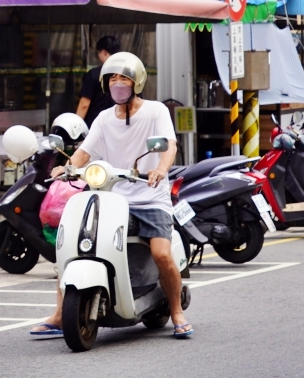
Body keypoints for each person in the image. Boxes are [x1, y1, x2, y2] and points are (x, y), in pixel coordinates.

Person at [30, 52, 192, 340]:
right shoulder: (104, 118)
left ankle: (177, 311)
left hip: (151, 200)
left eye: (124, 78)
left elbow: (169, 145)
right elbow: (85, 152)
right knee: (74, 245)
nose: (118, 84)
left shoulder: (155, 111)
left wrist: (160, 170)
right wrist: (67, 168)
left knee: (160, 253)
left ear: (137, 82)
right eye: (113, 78)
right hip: (114, 201)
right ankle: (60, 314)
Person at [76, 35, 120, 128]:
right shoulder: (125, 74)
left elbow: (84, 104)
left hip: (95, 126)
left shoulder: (93, 74)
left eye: (98, 53)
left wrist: (76, 126)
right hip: (118, 125)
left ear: (104, 52)